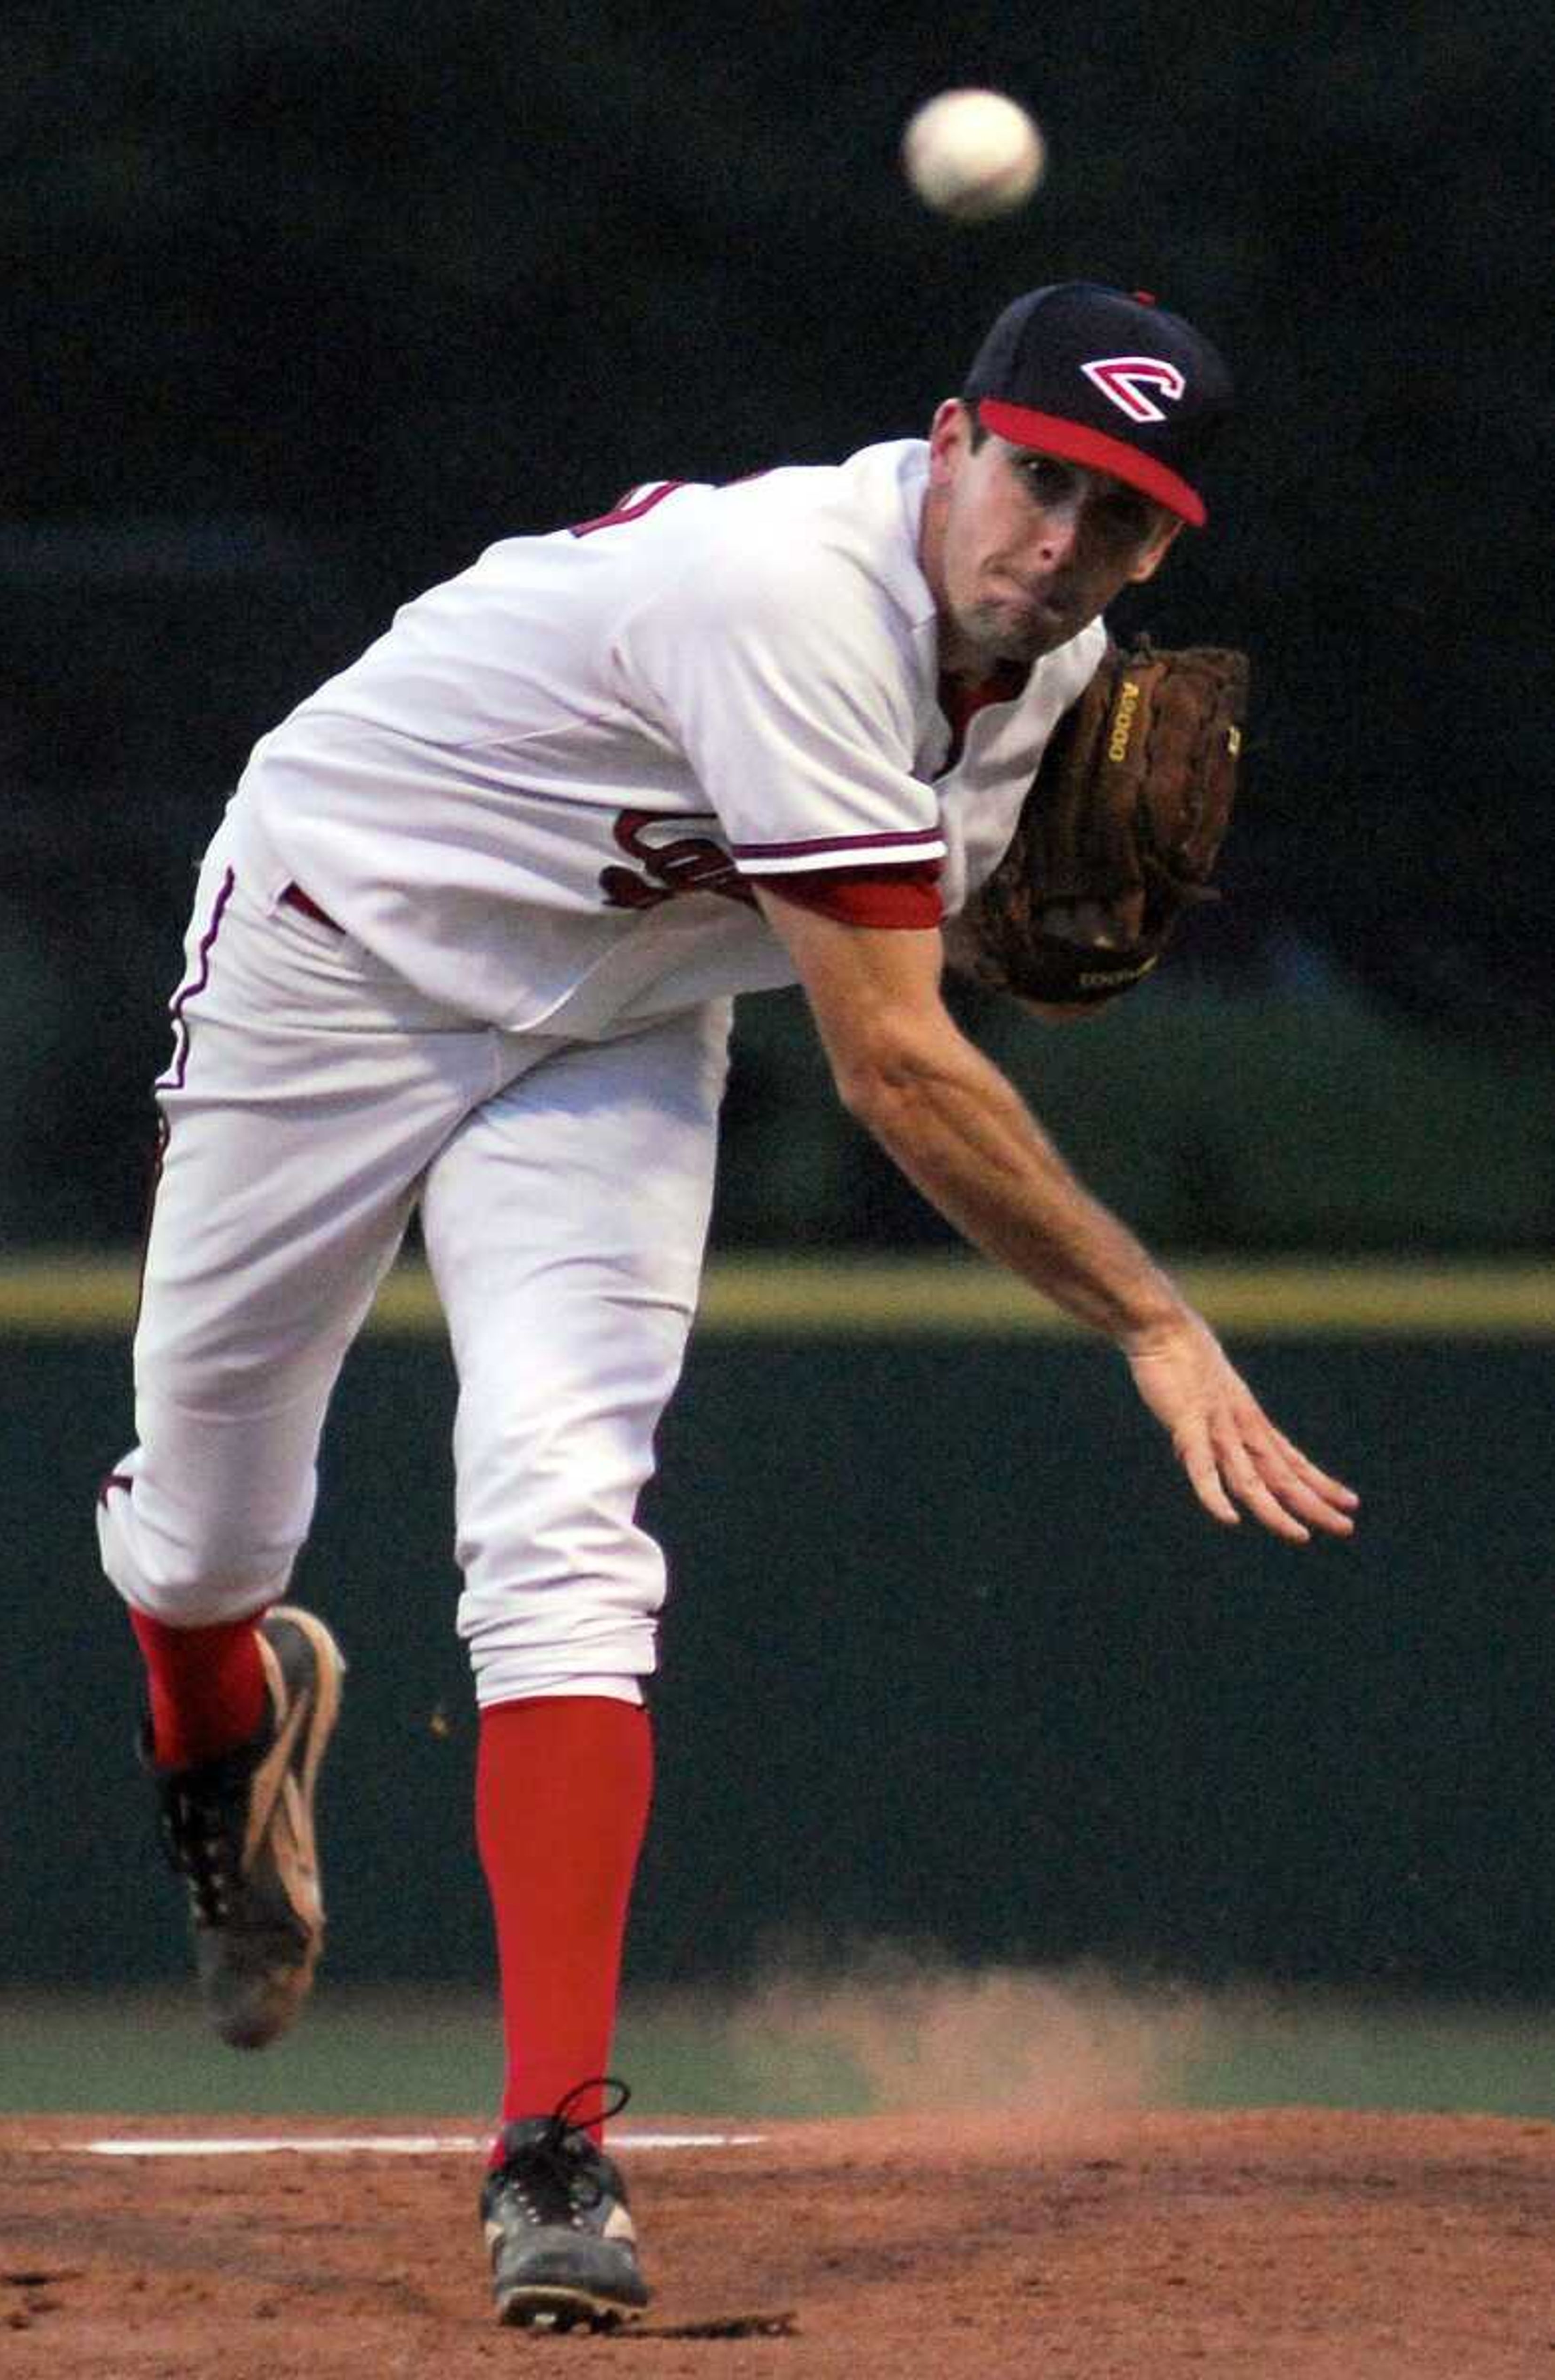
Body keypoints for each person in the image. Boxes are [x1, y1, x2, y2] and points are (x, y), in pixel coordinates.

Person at [96, 282, 1358, 2331]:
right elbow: (895, 1065)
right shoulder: (785, 594)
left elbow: (921, 953)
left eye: (1119, 520)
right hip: (341, 948)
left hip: (617, 1024)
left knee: (563, 1529)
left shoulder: (1058, 678)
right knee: (210, 1530)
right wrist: (1146, 1316)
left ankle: (552, 2149)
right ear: (950, 444)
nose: (1061, 545)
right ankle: (221, 1733)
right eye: (1039, 479)